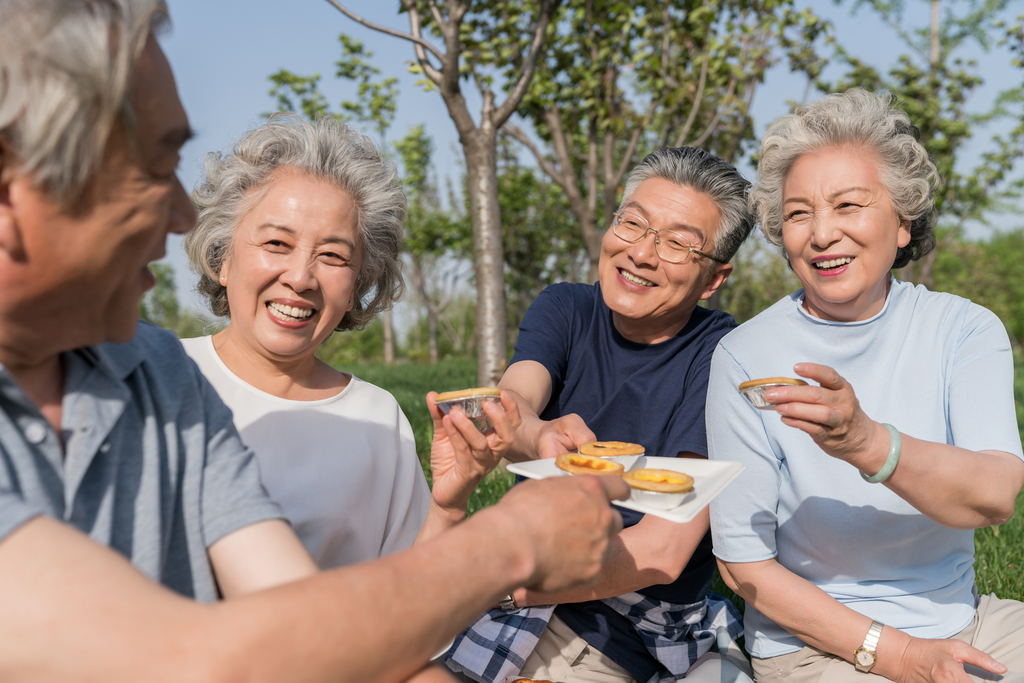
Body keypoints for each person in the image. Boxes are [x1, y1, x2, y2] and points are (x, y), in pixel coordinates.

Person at [0, 1, 629, 681]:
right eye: (153, 169)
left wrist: (458, 522)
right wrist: (511, 542)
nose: (182, 213)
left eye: (333, 255)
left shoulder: (165, 380)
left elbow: (301, 624)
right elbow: (187, 658)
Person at [707, 88, 1024, 683]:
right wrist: (901, 655)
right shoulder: (745, 355)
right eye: (798, 214)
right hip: (814, 645)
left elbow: (997, 494)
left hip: (964, 619)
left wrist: (866, 443)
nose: (821, 233)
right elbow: (743, 565)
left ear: (902, 224)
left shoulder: (963, 330)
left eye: (847, 205)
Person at [446, 147, 757, 683]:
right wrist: (540, 431)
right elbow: (513, 401)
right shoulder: (567, 307)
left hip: (621, 624)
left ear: (712, 280)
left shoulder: (720, 356)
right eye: (633, 224)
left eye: (678, 243)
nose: (641, 253)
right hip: (523, 582)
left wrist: (501, 581)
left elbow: (662, 550)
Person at [181, 115, 513, 567]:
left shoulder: (377, 420)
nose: (300, 277)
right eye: (277, 243)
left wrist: (448, 508)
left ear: (359, 283)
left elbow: (407, 604)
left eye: (333, 256)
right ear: (222, 258)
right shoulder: (160, 379)